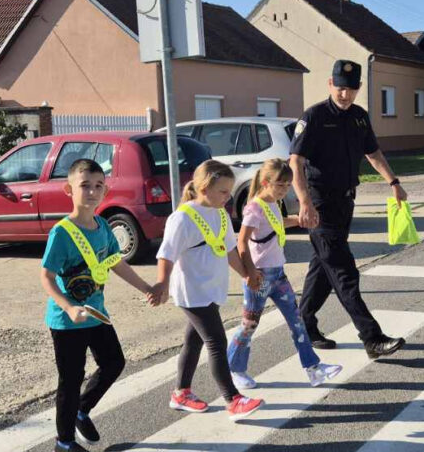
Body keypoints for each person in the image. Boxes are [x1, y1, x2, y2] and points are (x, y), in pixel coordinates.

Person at [40, 158, 156, 452]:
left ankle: (82, 409)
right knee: (70, 378)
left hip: (96, 313)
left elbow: (115, 263)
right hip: (67, 321)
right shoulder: (61, 233)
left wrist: (146, 287)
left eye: (98, 186)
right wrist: (68, 307)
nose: (92, 192)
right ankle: (63, 442)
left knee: (114, 362)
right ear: (69, 189)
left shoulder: (103, 225)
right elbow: (47, 277)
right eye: (84, 186)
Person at [290, 59, 408, 358]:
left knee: (322, 267)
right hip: (320, 204)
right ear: (330, 85)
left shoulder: (359, 117)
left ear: (358, 90)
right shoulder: (314, 116)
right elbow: (296, 161)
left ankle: (304, 324)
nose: (345, 95)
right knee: (344, 272)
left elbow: (373, 153)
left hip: (345, 201)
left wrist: (393, 181)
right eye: (340, 89)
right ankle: (372, 337)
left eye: (351, 90)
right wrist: (304, 202)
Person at [155, 160, 263, 421]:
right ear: (204, 188)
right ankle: (233, 399)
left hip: (211, 288)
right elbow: (166, 254)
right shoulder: (182, 218)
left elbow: (229, 252)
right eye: (223, 192)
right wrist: (162, 283)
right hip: (191, 292)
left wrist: (247, 274)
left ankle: (181, 393)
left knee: (193, 342)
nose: (228, 197)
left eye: (229, 191)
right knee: (216, 341)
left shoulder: (221, 215)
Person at [228, 158, 343, 388]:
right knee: (249, 326)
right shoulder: (254, 208)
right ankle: (234, 369)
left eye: (288, 185)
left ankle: (313, 369)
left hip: (278, 275)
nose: (285, 189)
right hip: (259, 277)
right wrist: (249, 273)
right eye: (280, 185)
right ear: (265, 182)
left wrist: (302, 221)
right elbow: (241, 243)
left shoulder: (272, 204)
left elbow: (277, 223)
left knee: (297, 321)